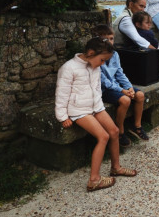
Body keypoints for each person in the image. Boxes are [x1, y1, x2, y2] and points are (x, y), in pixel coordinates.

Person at [55, 37, 137, 191]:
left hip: (96, 107)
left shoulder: (95, 66)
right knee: (103, 136)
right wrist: (63, 117)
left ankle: (116, 167)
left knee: (114, 131)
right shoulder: (69, 68)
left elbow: (97, 88)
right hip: (78, 110)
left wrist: (98, 105)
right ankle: (94, 179)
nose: (103, 63)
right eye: (102, 60)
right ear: (91, 53)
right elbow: (61, 94)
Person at [91, 24, 149, 148]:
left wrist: (129, 87)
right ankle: (120, 131)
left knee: (139, 95)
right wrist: (122, 91)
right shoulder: (96, 57)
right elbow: (103, 81)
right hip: (104, 90)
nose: (110, 42)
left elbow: (120, 73)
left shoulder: (115, 54)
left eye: (112, 38)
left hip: (116, 86)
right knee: (125, 100)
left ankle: (137, 126)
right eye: (106, 39)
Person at [113, 0, 159, 80]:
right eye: (141, 6)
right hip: (124, 53)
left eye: (144, 7)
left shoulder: (130, 16)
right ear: (131, 4)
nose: (143, 10)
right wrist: (154, 52)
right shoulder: (126, 19)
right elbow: (138, 39)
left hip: (129, 50)